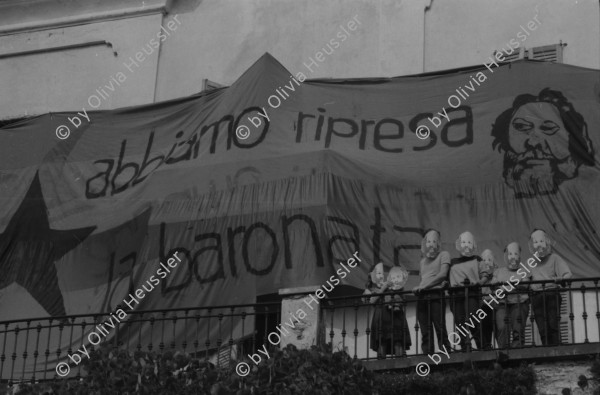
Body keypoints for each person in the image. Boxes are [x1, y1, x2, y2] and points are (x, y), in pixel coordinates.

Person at [448, 231, 491, 352]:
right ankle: (465, 347)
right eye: (463, 242)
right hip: (456, 295)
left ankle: (482, 346)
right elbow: (447, 278)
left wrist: (479, 283)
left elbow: (485, 275)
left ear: (473, 244)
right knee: (460, 323)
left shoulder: (477, 259)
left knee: (473, 320)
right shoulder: (452, 262)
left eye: (469, 242)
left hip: (472, 293)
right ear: (459, 244)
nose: (466, 245)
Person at [528, 229, 572, 345]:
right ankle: (546, 350)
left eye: (541, 241)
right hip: (536, 296)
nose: (538, 245)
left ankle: (557, 349)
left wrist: (561, 278)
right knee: (542, 327)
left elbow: (568, 274)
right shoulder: (531, 262)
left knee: (553, 324)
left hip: (551, 293)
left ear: (546, 242)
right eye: (535, 242)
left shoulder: (554, 258)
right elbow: (524, 278)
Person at [413, 229, 452, 354]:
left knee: (440, 326)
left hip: (435, 294)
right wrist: (419, 288)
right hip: (422, 296)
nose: (431, 244)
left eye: (434, 241)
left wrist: (426, 287)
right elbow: (422, 280)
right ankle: (427, 354)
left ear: (438, 242)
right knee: (425, 329)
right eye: (428, 241)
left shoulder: (444, 254)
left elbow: (442, 275)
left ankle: (445, 352)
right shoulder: (422, 262)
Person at [492, 242, 531, 348]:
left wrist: (506, 288)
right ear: (506, 255)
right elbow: (494, 285)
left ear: (519, 255)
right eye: (510, 254)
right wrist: (508, 288)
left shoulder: (524, 271)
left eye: (516, 254)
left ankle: (517, 351)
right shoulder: (498, 271)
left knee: (518, 328)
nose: (513, 257)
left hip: (519, 302)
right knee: (501, 327)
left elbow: (525, 285)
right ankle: (503, 351)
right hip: (501, 303)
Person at [363, 262, 391, 358]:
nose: (381, 276)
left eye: (382, 273)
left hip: (390, 315)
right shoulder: (369, 290)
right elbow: (371, 300)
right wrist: (382, 289)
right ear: (372, 275)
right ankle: (382, 363)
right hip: (379, 316)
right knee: (381, 339)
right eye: (379, 273)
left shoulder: (386, 287)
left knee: (392, 339)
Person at [384, 266, 412, 356]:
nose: (396, 280)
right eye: (394, 278)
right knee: (394, 338)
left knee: (399, 339)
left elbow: (404, 302)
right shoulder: (387, 289)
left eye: (398, 277)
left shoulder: (401, 290)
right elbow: (386, 301)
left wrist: (400, 293)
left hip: (399, 316)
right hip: (391, 316)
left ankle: (400, 357)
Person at [479, 249, 498, 350]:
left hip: (496, 305)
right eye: (484, 260)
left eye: (489, 259)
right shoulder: (480, 276)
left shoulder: (497, 273)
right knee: (485, 328)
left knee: (499, 329)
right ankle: (487, 348)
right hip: (484, 305)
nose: (487, 263)